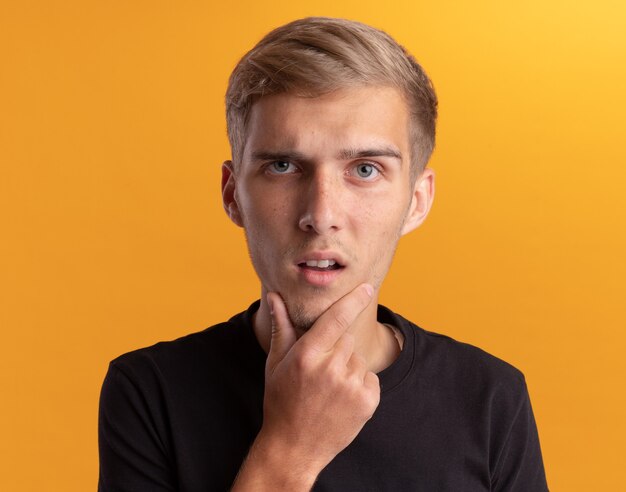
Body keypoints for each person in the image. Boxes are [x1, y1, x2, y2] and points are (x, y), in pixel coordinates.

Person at [98, 17, 548, 491]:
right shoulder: (150, 392)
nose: (321, 213)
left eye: (366, 169)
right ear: (233, 195)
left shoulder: (491, 397)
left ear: (416, 200)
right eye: (283, 165)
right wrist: (290, 449)